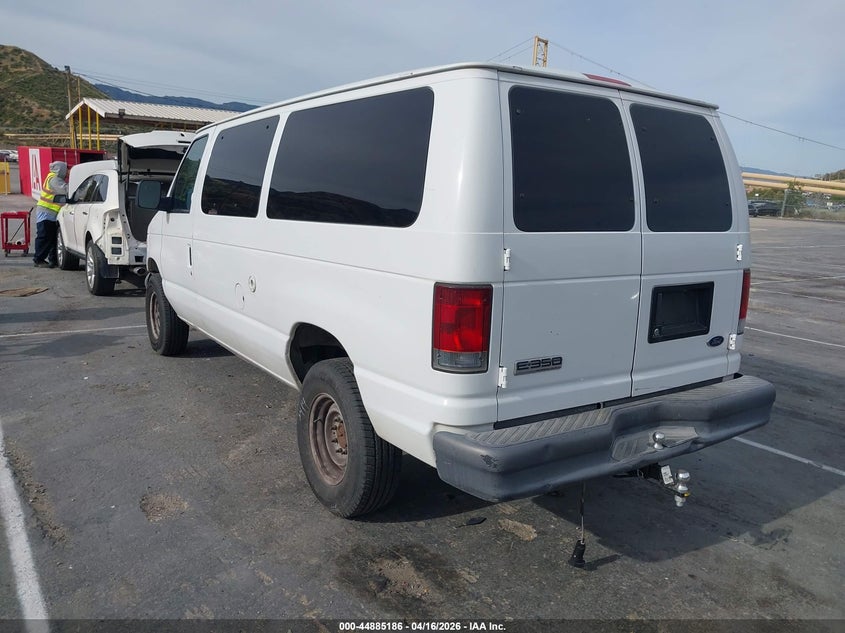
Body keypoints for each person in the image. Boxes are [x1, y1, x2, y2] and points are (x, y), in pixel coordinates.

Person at [32, 161, 68, 268]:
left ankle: (53, 260)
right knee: (44, 237)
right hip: (46, 212)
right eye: (65, 170)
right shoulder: (54, 179)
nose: (66, 173)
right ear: (60, 170)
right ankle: (38, 259)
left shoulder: (52, 177)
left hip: (49, 213)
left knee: (52, 238)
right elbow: (65, 190)